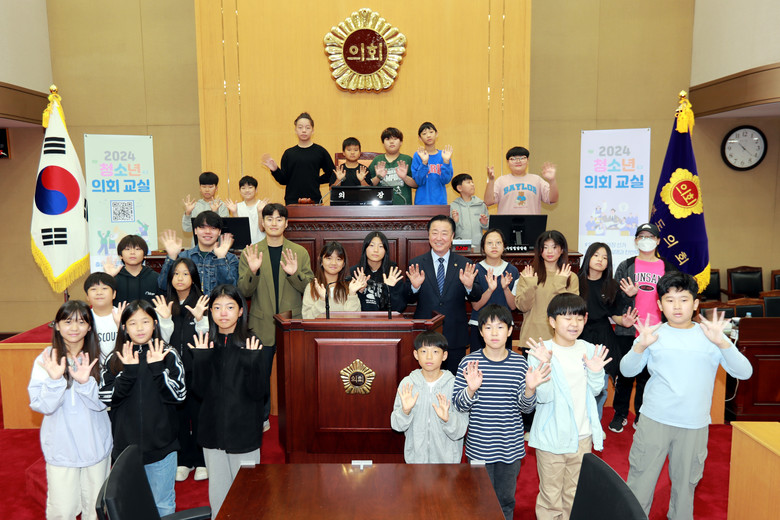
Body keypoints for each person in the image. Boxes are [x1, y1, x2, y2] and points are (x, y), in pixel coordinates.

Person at [622, 272, 753, 520]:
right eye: (669, 300)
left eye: (683, 299)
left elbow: (744, 372)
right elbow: (627, 371)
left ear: (695, 304)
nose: (677, 306)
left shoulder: (710, 335)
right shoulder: (653, 334)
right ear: (660, 304)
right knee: (640, 482)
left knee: (685, 488)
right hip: (655, 420)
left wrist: (723, 343)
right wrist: (640, 345)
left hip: (694, 424)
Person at [453, 304, 550, 520]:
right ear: (480, 332)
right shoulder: (469, 363)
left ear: (510, 330)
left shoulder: (519, 364)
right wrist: (470, 389)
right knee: (479, 500)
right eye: (488, 327)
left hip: (510, 447)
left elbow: (527, 408)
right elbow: (459, 405)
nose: (494, 333)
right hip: (479, 446)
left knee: (506, 501)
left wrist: (530, 389)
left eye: (500, 327)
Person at [525, 293, 611, 520]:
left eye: (579, 318)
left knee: (574, 494)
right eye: (567, 318)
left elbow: (595, 391)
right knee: (551, 499)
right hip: (552, 436)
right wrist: (545, 363)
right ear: (552, 321)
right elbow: (544, 397)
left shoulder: (589, 349)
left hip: (582, 435)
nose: (574, 324)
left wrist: (596, 373)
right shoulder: (541, 351)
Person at [99, 300, 186, 516]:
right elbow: (105, 397)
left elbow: (179, 395)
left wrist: (157, 369)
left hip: (162, 447)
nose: (139, 328)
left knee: (163, 505)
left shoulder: (168, 354)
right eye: (132, 323)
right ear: (124, 328)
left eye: (145, 321)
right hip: (125, 451)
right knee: (129, 508)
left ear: (155, 324)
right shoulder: (115, 358)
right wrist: (128, 373)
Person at [188, 285, 267, 519]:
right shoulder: (205, 343)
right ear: (210, 312)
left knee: (247, 495)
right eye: (217, 307)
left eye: (230, 307)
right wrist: (201, 358)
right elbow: (198, 391)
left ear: (241, 311)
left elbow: (258, 393)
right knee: (218, 493)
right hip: (212, 432)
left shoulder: (251, 342)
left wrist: (251, 362)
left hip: (244, 433)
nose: (223, 313)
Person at [28, 300, 112, 520]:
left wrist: (85, 384)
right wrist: (55, 381)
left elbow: (104, 403)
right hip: (61, 447)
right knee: (62, 510)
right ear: (57, 325)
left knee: (95, 510)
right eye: (67, 322)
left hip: (95, 445)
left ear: (90, 326)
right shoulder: (46, 360)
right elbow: (42, 405)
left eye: (81, 322)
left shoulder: (101, 358)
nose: (74, 328)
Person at [238, 203, 313, 430]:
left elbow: (310, 288)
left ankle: (298, 417)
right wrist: (253, 271)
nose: (274, 223)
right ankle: (261, 418)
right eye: (269, 218)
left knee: (296, 374)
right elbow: (244, 291)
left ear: (286, 223)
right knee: (260, 376)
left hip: (292, 322)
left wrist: (295, 274)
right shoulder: (250, 252)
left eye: (279, 219)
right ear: (262, 223)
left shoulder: (299, 252)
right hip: (261, 323)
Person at [610, 222, 676, 433]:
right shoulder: (626, 265)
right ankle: (620, 414)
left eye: (650, 237)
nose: (646, 240)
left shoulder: (668, 267)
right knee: (625, 375)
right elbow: (613, 299)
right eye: (642, 236)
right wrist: (626, 295)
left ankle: (641, 415)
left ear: (657, 241)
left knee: (648, 377)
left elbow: (674, 297)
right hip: (629, 329)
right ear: (636, 241)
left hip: (657, 331)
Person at [156, 258, 210, 483]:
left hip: (196, 370)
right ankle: (184, 460)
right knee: (178, 417)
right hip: (173, 372)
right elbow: (162, 341)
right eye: (176, 273)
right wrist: (165, 319)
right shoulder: (164, 304)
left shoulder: (202, 302)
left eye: (186, 274)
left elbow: (206, 339)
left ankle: (201, 460)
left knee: (198, 416)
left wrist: (200, 319)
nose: (180, 278)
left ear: (194, 278)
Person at [406, 215, 483, 374]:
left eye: (444, 233)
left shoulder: (465, 264)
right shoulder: (417, 263)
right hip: (425, 333)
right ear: (428, 235)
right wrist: (414, 287)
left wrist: (469, 286)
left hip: (455, 335)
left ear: (452, 236)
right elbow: (407, 298)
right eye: (435, 233)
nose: (439, 238)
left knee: (455, 381)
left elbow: (476, 296)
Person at [578, 242, 638, 419]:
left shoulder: (611, 285)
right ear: (588, 257)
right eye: (596, 255)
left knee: (601, 386)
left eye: (605, 257)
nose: (600, 260)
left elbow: (615, 315)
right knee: (578, 384)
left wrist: (624, 322)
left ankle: (595, 425)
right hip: (579, 335)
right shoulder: (575, 281)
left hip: (603, 336)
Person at [390, 331, 467, 463]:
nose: (429, 357)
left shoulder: (455, 385)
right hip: (416, 462)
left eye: (435, 352)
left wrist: (448, 419)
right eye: (424, 351)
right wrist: (405, 412)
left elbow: (460, 431)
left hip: (448, 464)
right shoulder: (408, 384)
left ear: (444, 355)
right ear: (416, 355)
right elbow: (397, 426)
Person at [514, 230, 579, 349]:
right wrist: (531, 285)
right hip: (532, 338)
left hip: (561, 338)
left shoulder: (570, 277)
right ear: (539, 251)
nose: (549, 251)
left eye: (554, 247)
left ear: (562, 249)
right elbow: (522, 307)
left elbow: (570, 310)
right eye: (545, 247)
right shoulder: (528, 273)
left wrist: (560, 283)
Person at [158, 211, 239, 295]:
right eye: (202, 227)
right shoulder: (183, 257)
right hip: (189, 303)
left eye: (213, 228)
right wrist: (171, 257)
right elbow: (163, 286)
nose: (207, 231)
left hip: (216, 303)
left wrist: (221, 258)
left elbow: (231, 291)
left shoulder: (230, 259)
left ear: (219, 232)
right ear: (195, 230)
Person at [262, 112, 336, 204]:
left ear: (312, 130)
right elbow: (284, 181)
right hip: (292, 201)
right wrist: (275, 170)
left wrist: (316, 180)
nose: (304, 130)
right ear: (295, 130)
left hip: (314, 200)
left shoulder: (320, 151)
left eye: (307, 128)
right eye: (300, 127)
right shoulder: (288, 153)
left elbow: (332, 174)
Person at [469, 229, 519, 351]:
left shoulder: (512, 271)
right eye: (489, 243)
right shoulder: (475, 270)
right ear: (483, 247)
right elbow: (476, 306)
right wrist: (490, 290)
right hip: (480, 325)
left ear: (504, 246)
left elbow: (513, 306)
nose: (494, 246)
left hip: (504, 326)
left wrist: (505, 288)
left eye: (498, 242)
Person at [484, 146, 559, 214]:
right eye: (513, 159)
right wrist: (491, 180)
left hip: (531, 223)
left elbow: (552, 199)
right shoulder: (501, 181)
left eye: (522, 158)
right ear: (508, 162)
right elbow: (488, 202)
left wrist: (552, 181)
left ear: (528, 160)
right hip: (506, 223)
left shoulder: (537, 180)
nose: (518, 161)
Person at [302, 241, 366, 319]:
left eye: (338, 259)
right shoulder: (312, 287)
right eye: (329, 258)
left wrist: (352, 294)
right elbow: (307, 318)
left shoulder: (350, 287)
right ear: (321, 261)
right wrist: (322, 300)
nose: (333, 263)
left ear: (343, 264)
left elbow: (354, 319)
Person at [349, 231, 406, 313]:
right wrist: (360, 292)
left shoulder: (392, 273)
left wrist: (390, 289)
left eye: (380, 246)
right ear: (365, 248)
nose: (376, 250)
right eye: (372, 245)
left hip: (386, 320)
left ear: (385, 250)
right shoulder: (355, 272)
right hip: (361, 319)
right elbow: (350, 308)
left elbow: (399, 308)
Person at [103, 234, 159, 305]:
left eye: (137, 249)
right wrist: (108, 277)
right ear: (120, 255)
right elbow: (102, 301)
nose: (132, 252)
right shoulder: (114, 277)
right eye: (127, 249)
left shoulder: (156, 278)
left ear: (145, 255)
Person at [367, 127, 416, 205]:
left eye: (395, 139)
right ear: (383, 143)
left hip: (404, 206)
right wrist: (378, 177)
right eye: (388, 139)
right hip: (381, 206)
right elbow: (368, 185)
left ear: (401, 142)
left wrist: (404, 177)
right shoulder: (377, 160)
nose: (392, 142)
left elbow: (416, 184)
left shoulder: (407, 159)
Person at [411, 122, 453, 205]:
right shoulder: (418, 155)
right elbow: (418, 181)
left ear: (436, 134)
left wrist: (446, 162)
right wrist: (424, 163)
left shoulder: (444, 155)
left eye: (431, 132)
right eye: (424, 134)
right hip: (421, 202)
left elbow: (446, 180)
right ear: (420, 138)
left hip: (440, 202)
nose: (428, 136)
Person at [84, 272, 120, 363]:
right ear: (87, 296)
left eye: (104, 288)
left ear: (114, 294)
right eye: (93, 289)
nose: (99, 293)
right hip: (91, 368)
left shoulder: (123, 315)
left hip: (121, 368)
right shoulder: (83, 318)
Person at [181, 171, 229, 237]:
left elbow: (224, 229)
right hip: (198, 243)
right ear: (200, 188)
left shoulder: (221, 205)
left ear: (216, 188)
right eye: (204, 187)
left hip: (216, 242)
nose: (207, 190)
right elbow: (187, 229)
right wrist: (188, 213)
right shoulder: (194, 206)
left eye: (210, 187)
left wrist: (215, 212)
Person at [224, 175, 268, 245]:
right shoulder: (236, 207)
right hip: (244, 246)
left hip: (261, 244)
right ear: (240, 191)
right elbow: (238, 230)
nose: (247, 190)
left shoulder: (262, 205)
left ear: (256, 190)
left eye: (250, 187)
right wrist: (234, 213)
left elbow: (262, 229)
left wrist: (260, 212)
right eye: (243, 188)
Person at [450, 173, 489, 245]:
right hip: (460, 246)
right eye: (468, 182)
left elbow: (488, 228)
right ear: (459, 188)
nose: (472, 184)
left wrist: (485, 224)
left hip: (478, 245)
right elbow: (450, 231)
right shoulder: (453, 206)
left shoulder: (481, 205)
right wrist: (455, 222)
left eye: (472, 182)